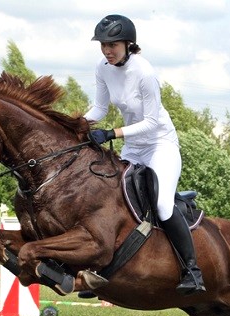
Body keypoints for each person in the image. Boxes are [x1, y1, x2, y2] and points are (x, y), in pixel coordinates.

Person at [84, 14, 205, 295]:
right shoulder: (102, 69)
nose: (107, 50)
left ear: (128, 43)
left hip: (160, 144)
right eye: (103, 45)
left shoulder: (145, 72)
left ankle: (192, 271)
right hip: (134, 148)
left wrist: (111, 134)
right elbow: (99, 109)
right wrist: (74, 123)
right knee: (111, 200)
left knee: (162, 205)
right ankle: (102, 270)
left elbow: (151, 122)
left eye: (112, 45)